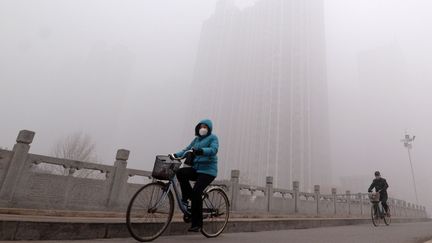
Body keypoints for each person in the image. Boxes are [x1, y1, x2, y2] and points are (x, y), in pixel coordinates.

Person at [170, 119, 219, 232]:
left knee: (197, 192)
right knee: (181, 172)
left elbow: (213, 149)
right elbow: (187, 150)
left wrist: (201, 151)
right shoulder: (196, 139)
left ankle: (197, 223)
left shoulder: (213, 138)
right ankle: (187, 199)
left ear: (209, 129)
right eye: (201, 126)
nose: (203, 129)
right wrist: (174, 155)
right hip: (197, 169)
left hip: (208, 171)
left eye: (205, 127)